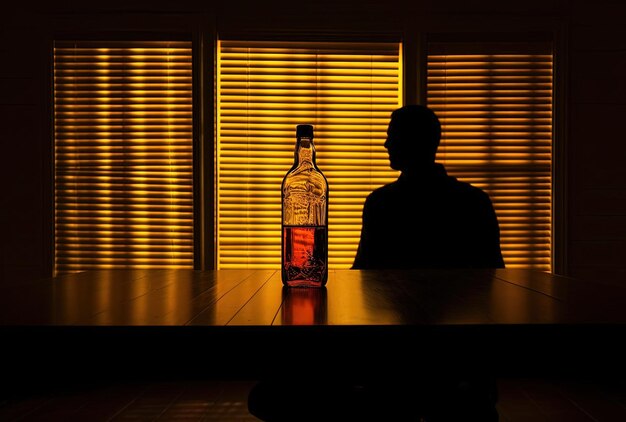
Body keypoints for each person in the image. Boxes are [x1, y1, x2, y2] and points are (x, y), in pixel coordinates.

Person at [353, 104, 504, 270]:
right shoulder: (475, 201)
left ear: (412, 141)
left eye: (393, 136)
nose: (386, 144)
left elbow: (364, 271)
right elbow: (493, 272)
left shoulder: (380, 203)